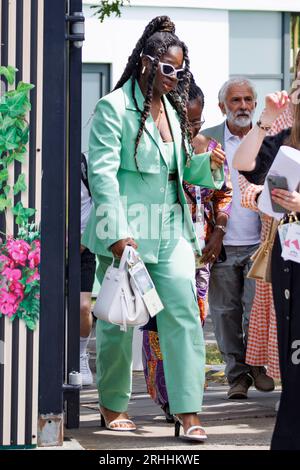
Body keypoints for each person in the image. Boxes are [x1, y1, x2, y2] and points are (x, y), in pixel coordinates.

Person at [82, 16, 225, 440]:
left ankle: (188, 412)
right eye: (167, 68)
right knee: (119, 321)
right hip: (126, 228)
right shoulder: (113, 108)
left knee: (184, 316)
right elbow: (104, 177)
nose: (173, 77)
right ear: (146, 63)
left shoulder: (174, 110)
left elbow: (179, 169)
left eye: (179, 71)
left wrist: (207, 166)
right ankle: (112, 405)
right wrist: (118, 235)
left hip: (172, 229)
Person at [142, 79, 232, 421]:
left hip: (198, 251)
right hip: (159, 245)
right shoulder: (154, 145)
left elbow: (224, 195)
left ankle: (187, 395)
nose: (192, 128)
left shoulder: (210, 146)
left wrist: (219, 231)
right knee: (156, 325)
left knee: (191, 321)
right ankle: (166, 397)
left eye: (196, 121)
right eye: (186, 122)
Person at [233, 88, 300, 450]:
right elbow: (243, 165)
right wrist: (265, 121)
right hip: (290, 256)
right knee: (293, 355)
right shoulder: (286, 136)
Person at [201, 77, 275, 399]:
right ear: (222, 107)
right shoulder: (208, 140)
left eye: (248, 100)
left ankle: (258, 366)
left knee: (254, 309)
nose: (243, 106)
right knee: (224, 313)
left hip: (260, 242)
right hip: (220, 244)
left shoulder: (268, 140)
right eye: (235, 101)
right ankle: (237, 376)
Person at [238, 54, 298, 384]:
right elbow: (245, 166)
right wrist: (266, 118)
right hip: (286, 239)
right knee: (286, 319)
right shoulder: (283, 123)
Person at [80, 153, 96, 386]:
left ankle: (79, 354)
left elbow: (98, 203)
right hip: (45, 248)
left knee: (83, 306)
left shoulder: (85, 165)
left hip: (83, 246)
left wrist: (85, 239)